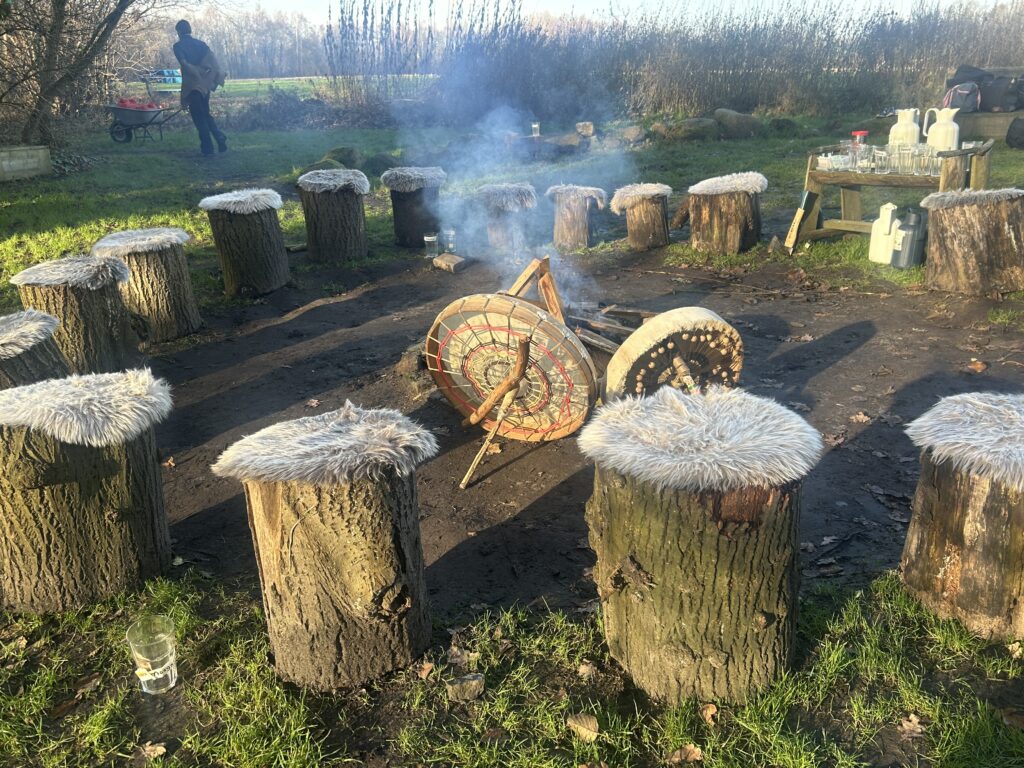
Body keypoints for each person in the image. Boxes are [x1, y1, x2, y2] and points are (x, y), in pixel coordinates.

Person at [172, 20, 227, 156]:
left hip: (192, 86)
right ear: (189, 29)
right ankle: (219, 136)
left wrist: (195, 73)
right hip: (204, 85)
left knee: (198, 117)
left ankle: (207, 149)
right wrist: (207, 78)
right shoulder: (202, 44)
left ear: (179, 32)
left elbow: (184, 64)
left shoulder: (178, 46)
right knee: (205, 113)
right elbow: (213, 63)